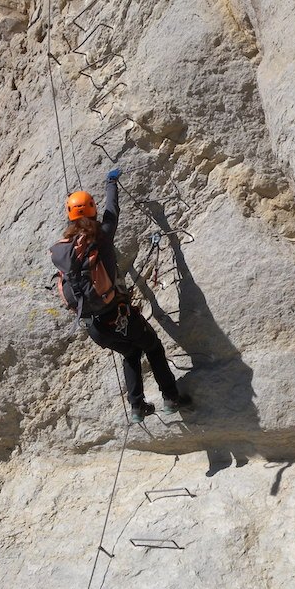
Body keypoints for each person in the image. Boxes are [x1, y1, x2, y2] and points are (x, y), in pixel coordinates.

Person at [58, 168, 190, 423]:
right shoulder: (102, 236)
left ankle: (137, 407)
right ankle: (171, 398)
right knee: (152, 346)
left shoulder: (65, 250)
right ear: (92, 210)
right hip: (119, 316)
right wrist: (111, 183)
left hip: (94, 327)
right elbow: (112, 211)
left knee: (130, 353)